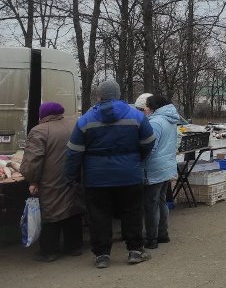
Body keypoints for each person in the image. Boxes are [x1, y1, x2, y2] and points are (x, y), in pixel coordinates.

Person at [65, 79, 155, 269]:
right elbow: (149, 141)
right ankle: (135, 251)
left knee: (99, 215)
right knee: (132, 212)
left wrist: (70, 175)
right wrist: (138, 158)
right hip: (129, 175)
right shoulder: (137, 116)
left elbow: (74, 151)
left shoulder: (85, 120)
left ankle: (102, 255)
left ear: (99, 96)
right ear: (118, 94)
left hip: (96, 178)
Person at [20, 102, 84, 262]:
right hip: (73, 177)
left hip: (50, 180)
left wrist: (32, 179)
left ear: (43, 116)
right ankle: (74, 247)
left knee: (51, 212)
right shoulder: (73, 126)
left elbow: (33, 161)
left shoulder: (39, 131)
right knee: (73, 209)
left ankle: (49, 251)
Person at [139, 94, 180, 249]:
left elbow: (150, 147)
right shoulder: (170, 120)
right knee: (161, 201)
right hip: (167, 167)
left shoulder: (155, 122)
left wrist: (140, 160)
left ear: (153, 107)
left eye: (146, 107)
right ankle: (163, 234)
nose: (145, 110)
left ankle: (151, 238)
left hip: (154, 169)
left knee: (150, 205)